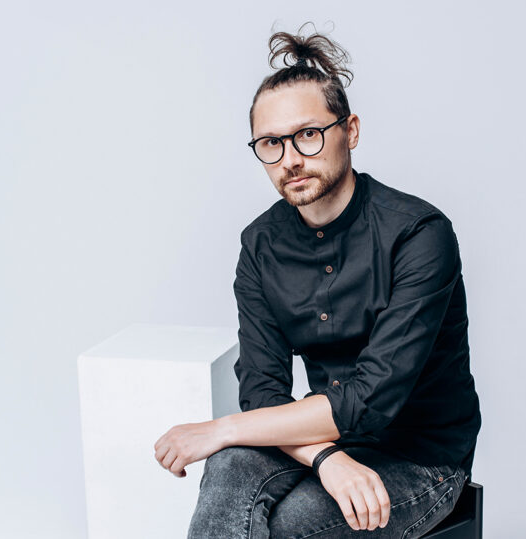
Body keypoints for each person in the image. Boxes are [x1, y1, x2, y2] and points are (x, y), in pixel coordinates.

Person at [154, 26, 481, 538]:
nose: (290, 159)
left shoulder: (419, 234)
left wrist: (219, 430)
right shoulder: (260, 245)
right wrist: (326, 457)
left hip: (423, 459)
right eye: (270, 143)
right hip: (324, 442)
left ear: (349, 130)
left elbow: (371, 399)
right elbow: (262, 389)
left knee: (290, 519)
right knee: (229, 466)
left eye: (308, 134)